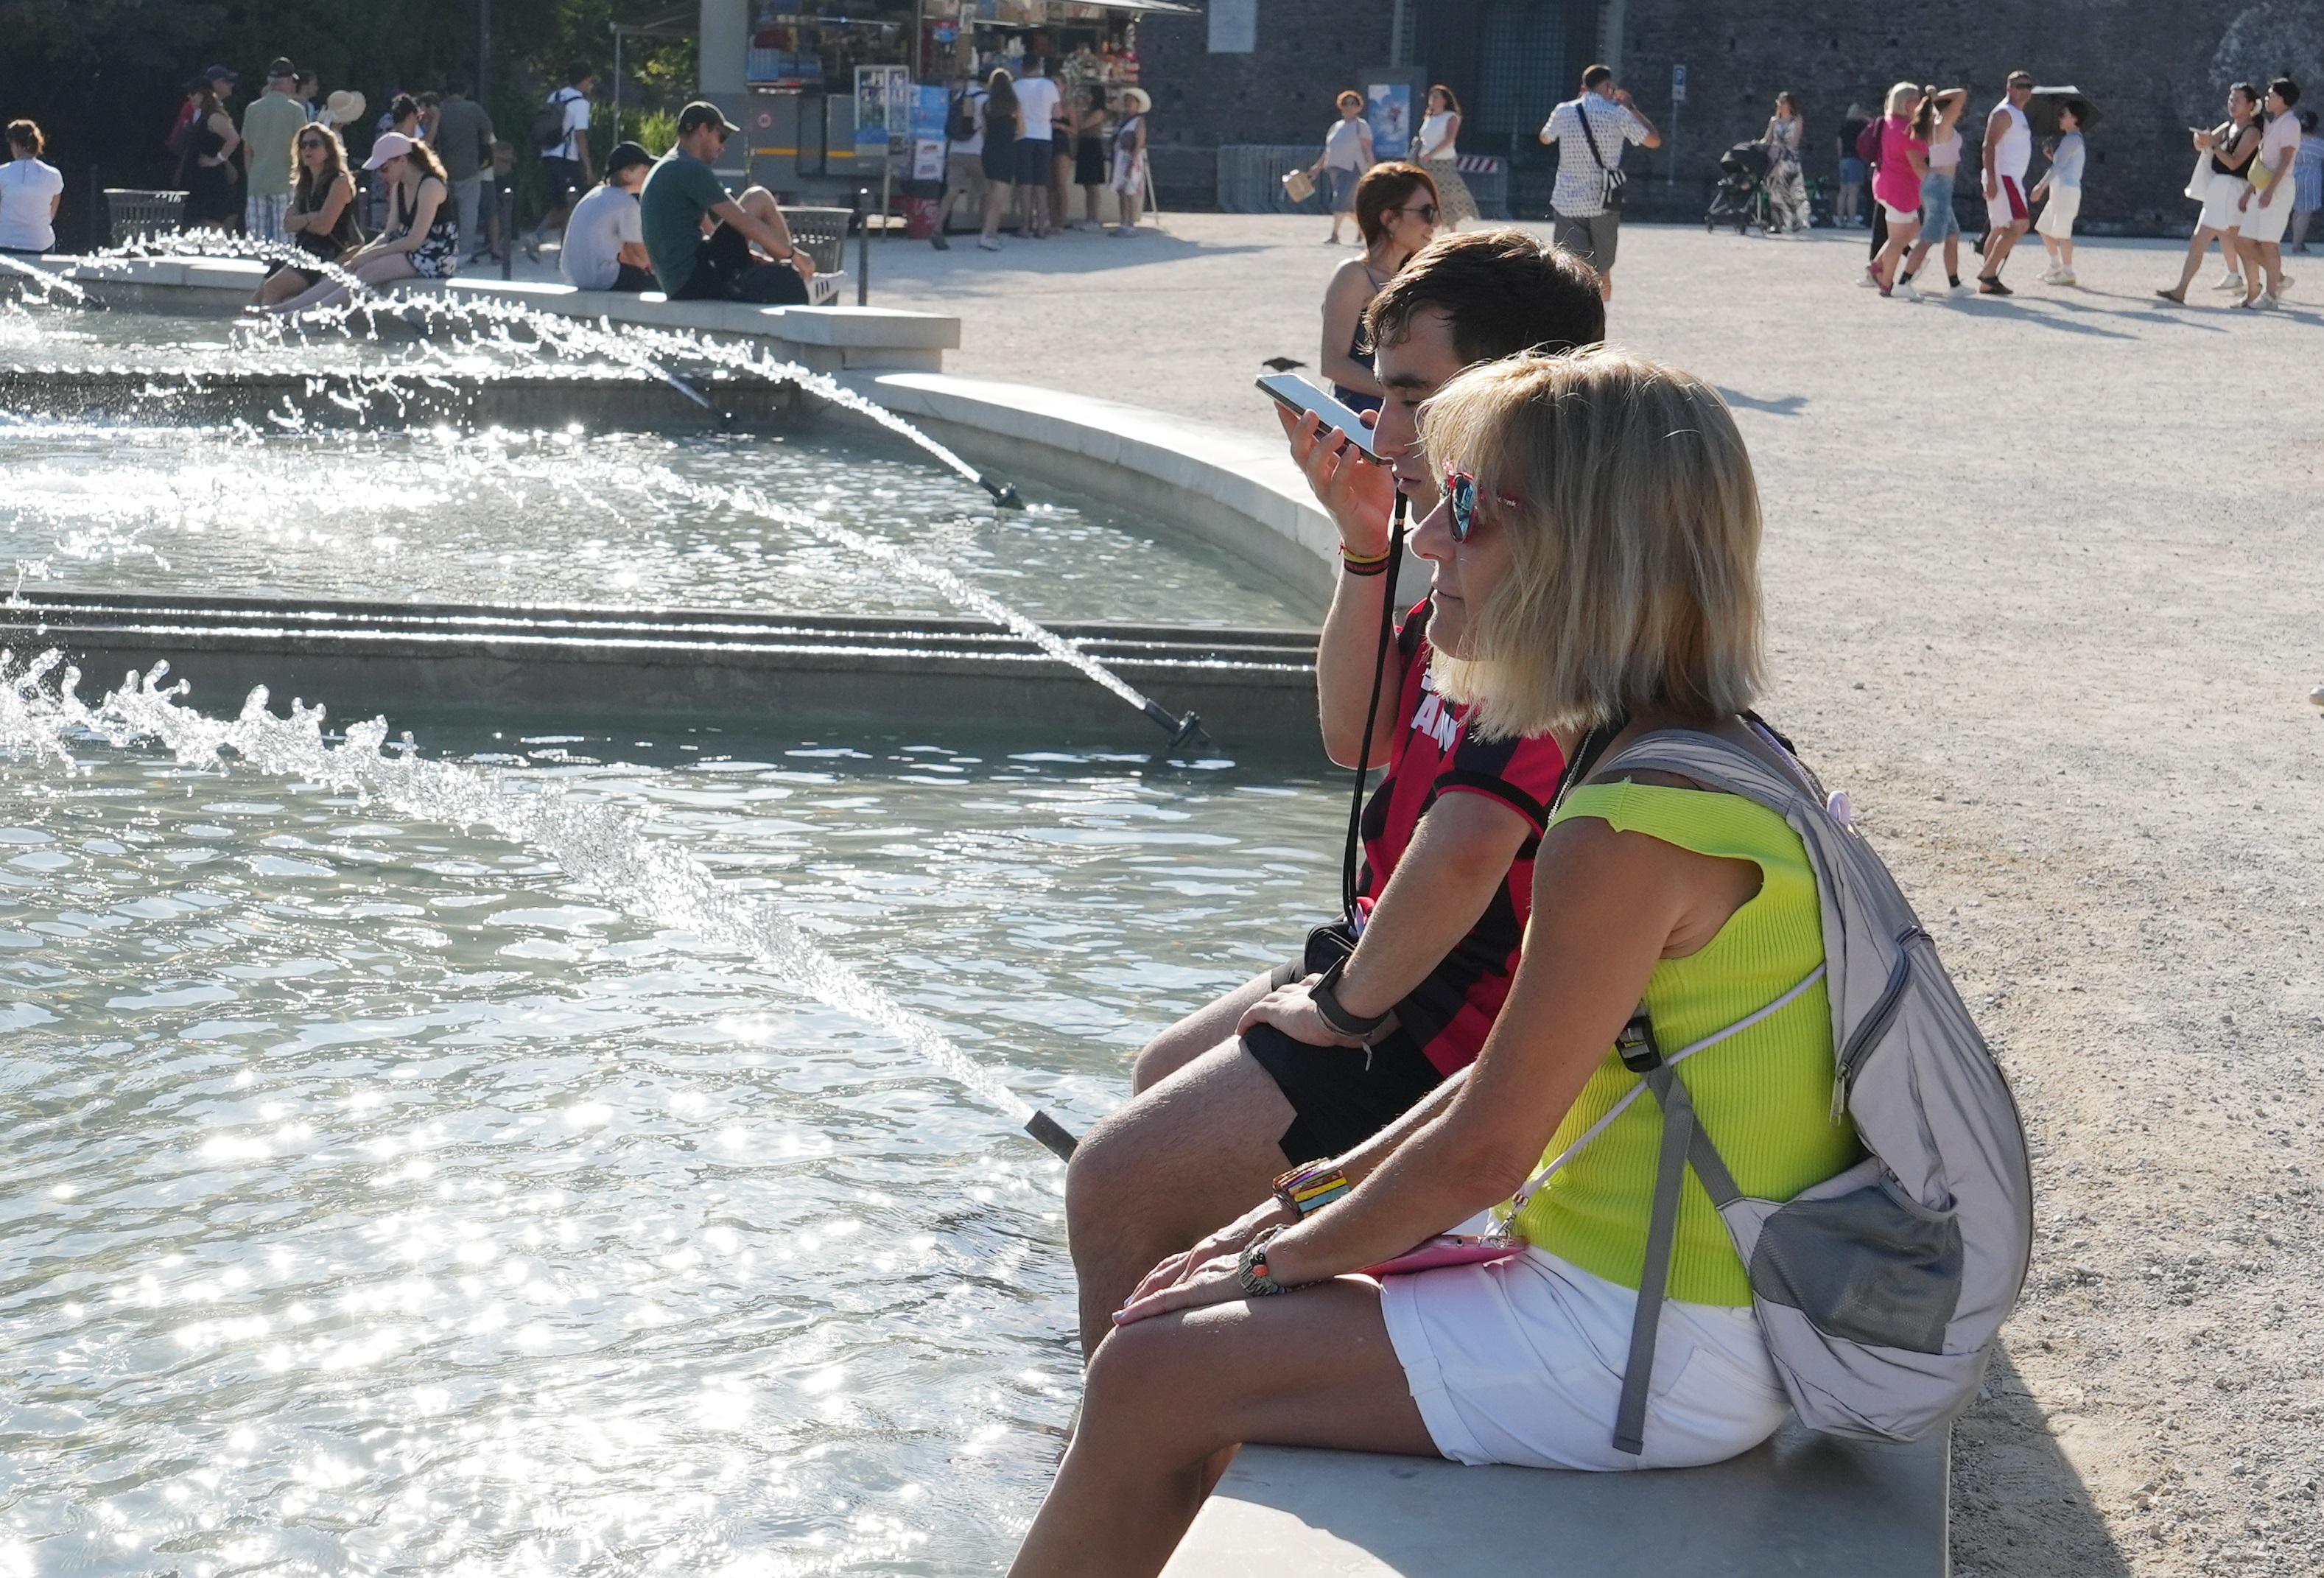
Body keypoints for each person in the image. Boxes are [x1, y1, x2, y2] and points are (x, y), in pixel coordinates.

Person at [1016, 347, 1853, 1578]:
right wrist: (1285, 1213)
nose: (1432, 539)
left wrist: (1271, 1256)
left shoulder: (1623, 829)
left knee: (1149, 1365)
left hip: (1651, 1344)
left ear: (1582, 553)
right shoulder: (1705, 754)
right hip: (1679, 1303)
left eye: (1465, 508)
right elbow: (1508, 1083)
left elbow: (1485, 1150)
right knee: (1182, 1321)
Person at [1061, 227, 1606, 1361]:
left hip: (1445, 1029)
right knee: (1158, 1078)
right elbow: (1349, 731)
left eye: (1412, 395)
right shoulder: (1471, 561)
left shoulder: (1552, 605)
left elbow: (1465, 855)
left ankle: (1135, 1427)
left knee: (1112, 1179)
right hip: (1387, 966)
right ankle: (1197, 1355)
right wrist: (1366, 550)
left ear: (1510, 393)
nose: (1384, 428)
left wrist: (1345, 1008)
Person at [639, 101, 815, 304]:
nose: (722, 147)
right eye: (721, 136)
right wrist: (795, 254)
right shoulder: (689, 168)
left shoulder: (671, 164)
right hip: (693, 281)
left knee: (757, 198)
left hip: (682, 277)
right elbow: (743, 222)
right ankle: (801, 273)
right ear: (703, 130)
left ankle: (798, 271)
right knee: (784, 279)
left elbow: (712, 234)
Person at [267, 131, 456, 313]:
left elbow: (415, 240)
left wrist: (371, 255)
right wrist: (364, 253)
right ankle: (289, 307)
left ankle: (307, 314)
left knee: (368, 271)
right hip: (411, 251)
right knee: (350, 266)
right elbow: (389, 233)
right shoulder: (399, 186)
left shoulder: (430, 186)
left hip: (435, 256)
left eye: (385, 168)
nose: (382, 175)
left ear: (403, 160)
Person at [1321, 164, 1440, 415]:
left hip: (1408, 419)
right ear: (1389, 218)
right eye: (1427, 212)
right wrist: (1405, 394)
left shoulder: (1417, 274)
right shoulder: (1353, 275)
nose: (1435, 223)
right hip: (1362, 420)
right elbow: (1333, 364)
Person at [1538, 64, 1660, 301]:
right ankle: (1600, 325)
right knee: (1603, 269)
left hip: (1567, 200)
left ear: (1584, 87)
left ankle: (1575, 319)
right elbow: (1653, 141)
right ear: (1608, 86)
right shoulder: (1617, 113)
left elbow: (1545, 138)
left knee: (1572, 266)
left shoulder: (1564, 111)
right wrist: (1631, 108)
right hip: (1604, 200)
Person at [2156, 82, 2264, 304]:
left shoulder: (2252, 132)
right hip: (2218, 190)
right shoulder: (2227, 127)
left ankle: (2257, 288)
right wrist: (2202, 141)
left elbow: (2235, 163)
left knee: (2242, 244)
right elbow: (2203, 146)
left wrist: (2214, 146)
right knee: (2198, 241)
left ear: (2250, 105)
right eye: (2230, 99)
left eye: (2237, 100)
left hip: (2234, 190)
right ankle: (2181, 290)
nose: (2232, 104)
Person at [251, 122, 360, 307]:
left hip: (330, 252)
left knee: (273, 288)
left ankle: (267, 332)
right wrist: (311, 218)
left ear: (328, 149)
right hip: (303, 249)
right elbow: (287, 224)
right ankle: (258, 328)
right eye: (303, 145)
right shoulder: (305, 184)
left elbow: (324, 228)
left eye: (314, 144)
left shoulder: (339, 182)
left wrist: (303, 221)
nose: (307, 149)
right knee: (258, 295)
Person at [2230, 78, 2303, 309]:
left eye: (2271, 95)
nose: (2267, 98)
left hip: (2279, 188)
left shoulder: (2290, 124)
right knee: (2243, 241)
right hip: (2262, 187)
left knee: (2269, 243)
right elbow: (2262, 163)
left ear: (2283, 99)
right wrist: (2250, 192)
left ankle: (2271, 296)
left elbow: (2285, 160)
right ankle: (2278, 278)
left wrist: (2270, 191)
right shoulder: (2274, 123)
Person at [1898, 87, 1969, 295]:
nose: (1961, 112)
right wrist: (1936, 96)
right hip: (1939, 186)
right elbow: (1962, 93)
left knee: (1952, 235)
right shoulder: (1943, 124)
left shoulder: (1937, 123)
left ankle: (1955, 284)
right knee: (1928, 237)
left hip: (1938, 185)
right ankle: (1904, 282)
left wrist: (1934, 96)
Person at [557, 141, 655, 291]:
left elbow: (628, 251)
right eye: (645, 172)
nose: (649, 177)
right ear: (627, 175)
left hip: (575, 276)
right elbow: (643, 257)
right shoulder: (626, 203)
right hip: (604, 278)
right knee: (659, 283)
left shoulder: (594, 195)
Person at [524, 63, 596, 262]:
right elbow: (580, 135)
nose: (590, 84)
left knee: (562, 204)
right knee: (571, 204)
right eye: (590, 81)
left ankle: (563, 252)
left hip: (548, 155)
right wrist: (588, 167)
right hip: (566, 158)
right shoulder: (580, 103)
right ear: (584, 80)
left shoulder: (555, 96)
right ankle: (540, 238)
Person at [1976, 70, 2037, 295]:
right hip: (2005, 177)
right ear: (2009, 88)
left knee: (2000, 227)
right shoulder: (2003, 113)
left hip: (2011, 177)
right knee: (2020, 225)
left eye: (2028, 86)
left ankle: (1987, 280)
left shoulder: (2018, 114)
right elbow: (1988, 145)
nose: (2025, 90)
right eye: (2020, 85)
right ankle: (1988, 273)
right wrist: (1991, 178)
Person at [1870, 83, 1928, 299]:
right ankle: (1886, 283)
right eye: (1916, 99)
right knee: (1898, 238)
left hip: (1888, 184)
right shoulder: (1906, 130)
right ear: (1906, 103)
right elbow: (1918, 165)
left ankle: (1877, 265)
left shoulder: (1889, 124)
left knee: (1912, 228)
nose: (1920, 103)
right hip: (1899, 189)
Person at [240, 59, 309, 243]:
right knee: (284, 242)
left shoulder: (252, 109)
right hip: (286, 183)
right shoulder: (296, 111)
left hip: (257, 183)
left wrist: (252, 175)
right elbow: (303, 149)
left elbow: (247, 150)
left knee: (256, 243)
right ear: (287, 81)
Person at [432, 79, 497, 264]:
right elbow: (487, 130)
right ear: (465, 90)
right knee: (468, 211)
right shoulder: (473, 108)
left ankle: (447, 247)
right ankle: (465, 252)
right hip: (469, 167)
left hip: (444, 168)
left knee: (448, 213)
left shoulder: (440, 110)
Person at [1310, 90, 1375, 245]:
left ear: (1359, 107)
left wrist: (1374, 169)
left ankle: (1335, 235)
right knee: (1346, 205)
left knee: (1340, 201)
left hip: (1352, 168)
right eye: (1346, 103)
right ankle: (1363, 229)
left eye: (1353, 103)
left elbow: (1367, 149)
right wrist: (1317, 166)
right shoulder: (1336, 127)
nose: (1349, 106)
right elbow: (1328, 150)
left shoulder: (1361, 126)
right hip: (1335, 168)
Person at [179, 74, 243, 231]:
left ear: (203, 94)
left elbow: (234, 138)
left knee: (212, 226)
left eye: (193, 93)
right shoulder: (201, 116)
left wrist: (218, 159)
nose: (190, 97)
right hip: (199, 182)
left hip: (211, 183)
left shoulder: (214, 116)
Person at [2032, 105, 2086, 287]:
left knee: (2063, 233)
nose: (2060, 118)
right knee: (2044, 227)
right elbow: (2062, 164)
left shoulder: (2072, 140)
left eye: (2064, 115)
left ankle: (2069, 272)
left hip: (2066, 192)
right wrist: (2052, 156)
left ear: (2075, 118)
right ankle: (2056, 265)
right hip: (2060, 191)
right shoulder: (2070, 140)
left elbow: (2058, 167)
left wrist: (2040, 187)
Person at [931, 74, 986, 250]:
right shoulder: (986, 99)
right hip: (977, 151)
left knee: (952, 191)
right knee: (986, 193)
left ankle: (937, 228)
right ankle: (986, 232)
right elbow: (986, 128)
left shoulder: (959, 96)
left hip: (955, 150)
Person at [1413, 85, 1478, 231]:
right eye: (1431, 96)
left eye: (1436, 96)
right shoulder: (1428, 117)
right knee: (1428, 196)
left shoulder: (1451, 117)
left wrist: (1432, 153)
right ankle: (1429, 228)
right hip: (1425, 162)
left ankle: (1452, 231)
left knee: (1447, 196)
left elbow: (1449, 139)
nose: (1432, 99)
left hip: (1443, 162)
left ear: (1444, 100)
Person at [1008, 58, 1060, 238]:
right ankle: (1041, 227)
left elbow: (1012, 112)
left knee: (1025, 183)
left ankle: (1025, 226)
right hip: (1045, 136)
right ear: (1039, 67)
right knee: (1041, 183)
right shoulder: (1049, 86)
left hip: (1023, 136)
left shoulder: (1016, 86)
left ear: (1023, 69)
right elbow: (1057, 114)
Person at [0, 121, 63, 255]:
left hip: (6, 243)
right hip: (41, 244)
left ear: (15, 145)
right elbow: (51, 214)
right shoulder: (53, 175)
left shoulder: (2, 174)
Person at [977, 69, 1019, 251]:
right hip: (1006, 151)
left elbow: (984, 131)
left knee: (989, 194)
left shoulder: (987, 105)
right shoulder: (1014, 105)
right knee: (999, 198)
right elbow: (1022, 130)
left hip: (989, 151)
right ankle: (987, 234)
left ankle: (990, 232)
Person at [1760, 91, 1808, 235]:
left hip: (1789, 157)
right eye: (1779, 102)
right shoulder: (1774, 121)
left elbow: (1795, 141)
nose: (1780, 105)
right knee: (1774, 190)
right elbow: (1767, 138)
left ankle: (1794, 219)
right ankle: (1777, 223)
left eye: (1783, 102)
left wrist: (1784, 146)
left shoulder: (1797, 120)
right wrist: (1759, 145)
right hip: (1775, 157)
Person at [1108, 87, 1149, 236]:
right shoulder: (1122, 121)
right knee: (1121, 190)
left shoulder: (1139, 121)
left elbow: (1139, 143)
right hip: (1120, 157)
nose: (1128, 104)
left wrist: (1132, 163)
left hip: (1131, 158)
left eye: (1131, 102)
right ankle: (1123, 221)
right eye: (1127, 101)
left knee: (1130, 190)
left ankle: (1130, 223)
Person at [1073, 85, 1110, 231]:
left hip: (1093, 146)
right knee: (1087, 185)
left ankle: (1094, 218)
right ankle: (1088, 217)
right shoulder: (1088, 111)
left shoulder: (1099, 112)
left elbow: (1082, 125)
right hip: (1085, 145)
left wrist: (1077, 109)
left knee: (1093, 186)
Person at [1835, 103, 1871, 228]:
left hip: (1844, 159)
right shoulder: (1862, 126)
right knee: (1853, 191)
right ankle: (1851, 220)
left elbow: (1839, 142)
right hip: (1856, 159)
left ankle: (1840, 219)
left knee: (1843, 191)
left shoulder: (1844, 126)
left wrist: (1841, 157)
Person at [2293, 109, 2323, 255]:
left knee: (2297, 212)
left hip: (2292, 176)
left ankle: (2296, 240)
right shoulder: (2318, 144)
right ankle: (2297, 245)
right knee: (2304, 212)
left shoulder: (2293, 142)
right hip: (2310, 179)